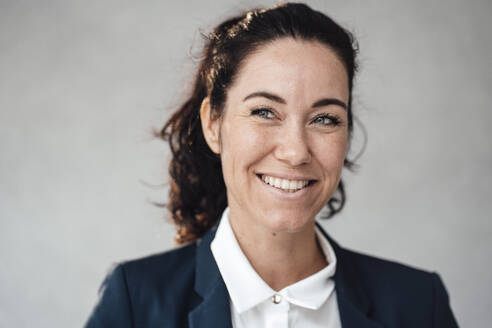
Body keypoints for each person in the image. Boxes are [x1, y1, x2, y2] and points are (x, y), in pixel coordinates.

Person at [85, 3, 459, 327]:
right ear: (213, 124)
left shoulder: (418, 305)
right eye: (265, 112)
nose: (296, 152)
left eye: (325, 118)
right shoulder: (135, 301)